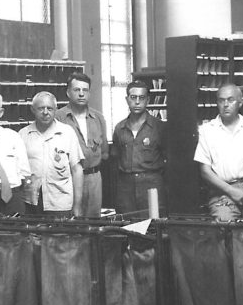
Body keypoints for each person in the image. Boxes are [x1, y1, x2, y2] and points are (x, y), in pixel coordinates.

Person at [195, 83, 243, 221]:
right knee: (225, 228)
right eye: (221, 100)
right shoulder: (207, 131)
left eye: (231, 100)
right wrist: (232, 191)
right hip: (222, 190)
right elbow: (205, 171)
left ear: (240, 103)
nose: (226, 104)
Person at [20, 91, 85, 217]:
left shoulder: (67, 133)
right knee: (33, 236)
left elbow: (77, 170)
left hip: (60, 202)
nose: (45, 112)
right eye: (41, 108)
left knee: (60, 236)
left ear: (56, 109)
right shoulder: (23, 135)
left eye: (49, 108)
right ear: (33, 110)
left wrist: (77, 205)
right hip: (31, 202)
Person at [55, 71, 109, 218]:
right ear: (68, 92)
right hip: (69, 179)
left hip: (94, 178)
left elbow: (104, 152)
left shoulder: (98, 118)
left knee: (94, 224)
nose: (81, 94)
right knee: (72, 222)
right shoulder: (58, 118)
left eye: (85, 90)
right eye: (76, 90)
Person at [110, 80, 167, 217]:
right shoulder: (119, 128)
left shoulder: (159, 127)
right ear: (127, 99)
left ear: (147, 100)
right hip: (126, 187)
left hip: (151, 184)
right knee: (128, 226)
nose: (137, 102)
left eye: (141, 98)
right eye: (133, 97)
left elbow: (168, 160)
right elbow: (115, 160)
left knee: (154, 227)